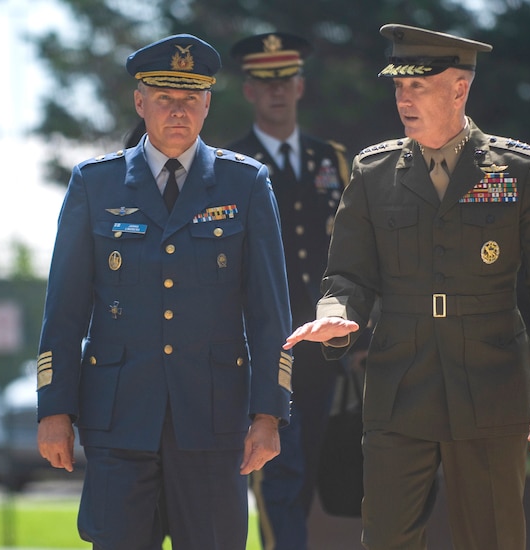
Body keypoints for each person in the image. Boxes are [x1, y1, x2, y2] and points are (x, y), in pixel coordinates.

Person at [284, 23, 530, 550]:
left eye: (417, 86)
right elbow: (349, 274)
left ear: (459, 88)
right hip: (400, 384)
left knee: (492, 537)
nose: (403, 98)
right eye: (398, 86)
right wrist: (337, 312)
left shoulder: (517, 170)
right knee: (386, 539)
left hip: (491, 385)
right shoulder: (373, 172)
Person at [36, 33, 293, 550]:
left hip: (213, 424)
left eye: (190, 100)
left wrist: (269, 413)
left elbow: (270, 313)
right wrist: (53, 409)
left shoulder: (245, 185)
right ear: (140, 101)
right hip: (119, 421)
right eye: (164, 99)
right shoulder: (96, 184)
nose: (178, 112)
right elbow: (64, 309)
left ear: (207, 104)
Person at [226, 32, 354, 549]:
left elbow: (352, 256)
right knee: (277, 476)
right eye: (263, 82)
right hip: (262, 348)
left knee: (306, 476)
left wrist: (358, 342)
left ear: (300, 86)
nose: (276, 91)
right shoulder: (229, 163)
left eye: (285, 81)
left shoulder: (334, 161)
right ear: (248, 91)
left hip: (322, 349)